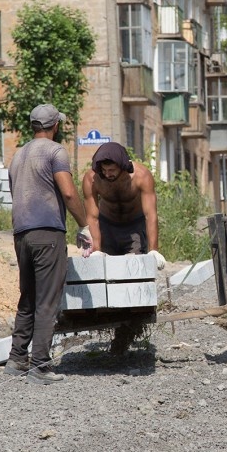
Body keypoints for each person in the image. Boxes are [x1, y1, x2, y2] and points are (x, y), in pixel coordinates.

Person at [6, 104, 93, 385]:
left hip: (22, 234)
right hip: (48, 234)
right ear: (55, 125)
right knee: (47, 300)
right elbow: (68, 193)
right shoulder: (56, 152)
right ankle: (40, 366)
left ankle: (17, 358)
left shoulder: (18, 155)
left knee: (28, 297)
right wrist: (83, 225)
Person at [82, 141, 164, 355]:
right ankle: (108, 319)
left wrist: (153, 249)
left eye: (112, 170)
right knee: (107, 276)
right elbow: (92, 215)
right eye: (104, 170)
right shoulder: (92, 179)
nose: (108, 174)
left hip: (133, 227)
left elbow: (150, 214)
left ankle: (126, 332)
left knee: (132, 277)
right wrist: (97, 248)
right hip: (107, 226)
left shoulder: (141, 176)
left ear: (122, 167)